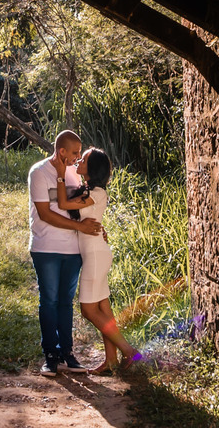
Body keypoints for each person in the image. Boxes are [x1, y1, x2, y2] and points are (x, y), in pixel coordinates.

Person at [53, 148, 142, 375]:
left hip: (95, 255)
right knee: (103, 308)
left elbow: (63, 204)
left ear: (92, 169)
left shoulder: (98, 192)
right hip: (95, 252)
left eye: (84, 159)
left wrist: (61, 174)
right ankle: (111, 360)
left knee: (88, 310)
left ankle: (129, 351)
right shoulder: (89, 191)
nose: (79, 160)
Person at [28, 130, 103, 376]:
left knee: (65, 303)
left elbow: (84, 206)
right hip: (46, 247)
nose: (78, 157)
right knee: (48, 301)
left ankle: (67, 353)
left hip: (73, 249)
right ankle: (50, 355)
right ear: (61, 151)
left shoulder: (75, 173)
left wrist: (96, 228)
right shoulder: (39, 173)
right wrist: (80, 226)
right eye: (74, 153)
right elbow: (46, 213)